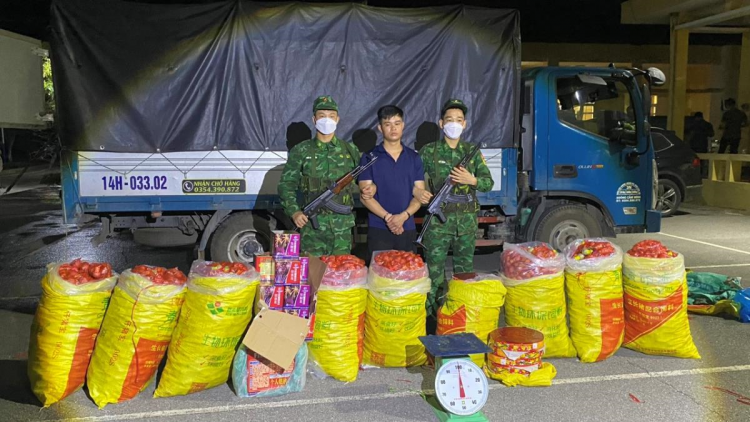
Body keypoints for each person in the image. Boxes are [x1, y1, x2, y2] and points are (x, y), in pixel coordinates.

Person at [416, 99, 494, 316]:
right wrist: (418, 192)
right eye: (449, 120)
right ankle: (431, 316)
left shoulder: (472, 152)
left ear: (465, 124)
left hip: (466, 222)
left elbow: (488, 183)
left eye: (459, 120)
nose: (454, 123)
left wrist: (472, 180)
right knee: (434, 272)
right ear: (441, 123)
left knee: (464, 271)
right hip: (438, 222)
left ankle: (461, 314)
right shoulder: (428, 151)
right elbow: (412, 178)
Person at [278, 95, 375, 255]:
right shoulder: (301, 151)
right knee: (313, 275)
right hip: (312, 228)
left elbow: (363, 180)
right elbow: (286, 185)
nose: (327, 120)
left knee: (339, 275)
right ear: (314, 119)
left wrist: (371, 189)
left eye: (331, 116)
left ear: (337, 119)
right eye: (322, 116)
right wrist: (294, 212)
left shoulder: (349, 150)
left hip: (341, 228)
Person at [358, 105, 426, 259]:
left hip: (407, 227)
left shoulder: (413, 157)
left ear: (403, 125)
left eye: (397, 123)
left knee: (407, 275)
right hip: (379, 228)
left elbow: (419, 194)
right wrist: (388, 218)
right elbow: (365, 196)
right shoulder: (369, 157)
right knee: (379, 277)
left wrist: (403, 216)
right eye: (387, 124)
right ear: (380, 128)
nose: (393, 128)